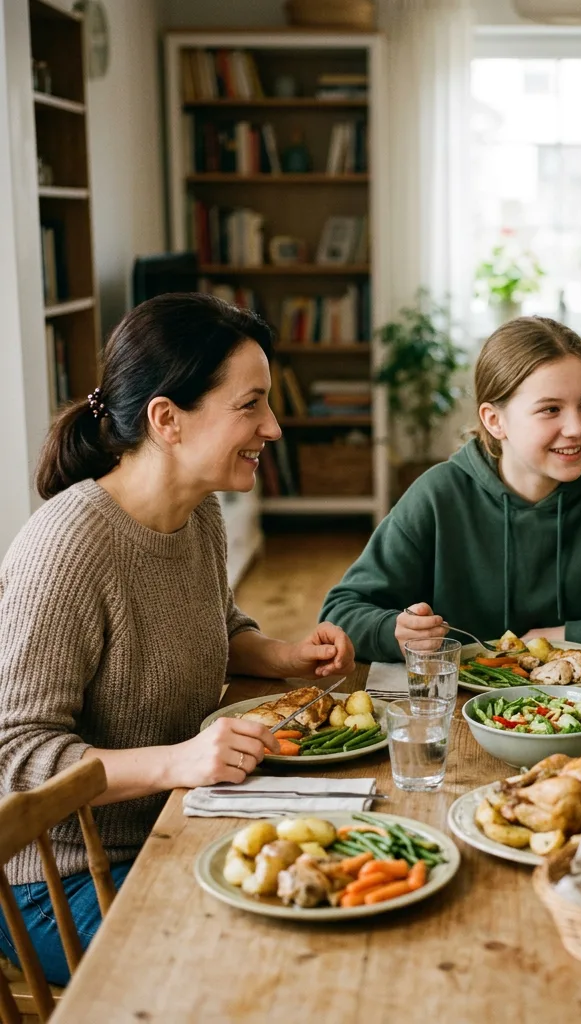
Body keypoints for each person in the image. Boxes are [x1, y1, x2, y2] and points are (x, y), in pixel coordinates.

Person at [0, 293, 355, 984]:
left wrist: (281, 655)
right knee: (268, 959)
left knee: (332, 895)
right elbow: (14, 759)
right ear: (167, 419)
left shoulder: (198, 514)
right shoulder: (68, 548)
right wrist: (179, 762)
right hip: (57, 880)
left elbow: (213, 625)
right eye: (250, 405)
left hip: (177, 823)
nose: (274, 428)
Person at [321, 316, 581, 663]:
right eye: (550, 409)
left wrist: (567, 636)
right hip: (465, 718)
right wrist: (391, 630)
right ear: (494, 420)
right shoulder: (438, 495)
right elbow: (340, 614)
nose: (577, 428)